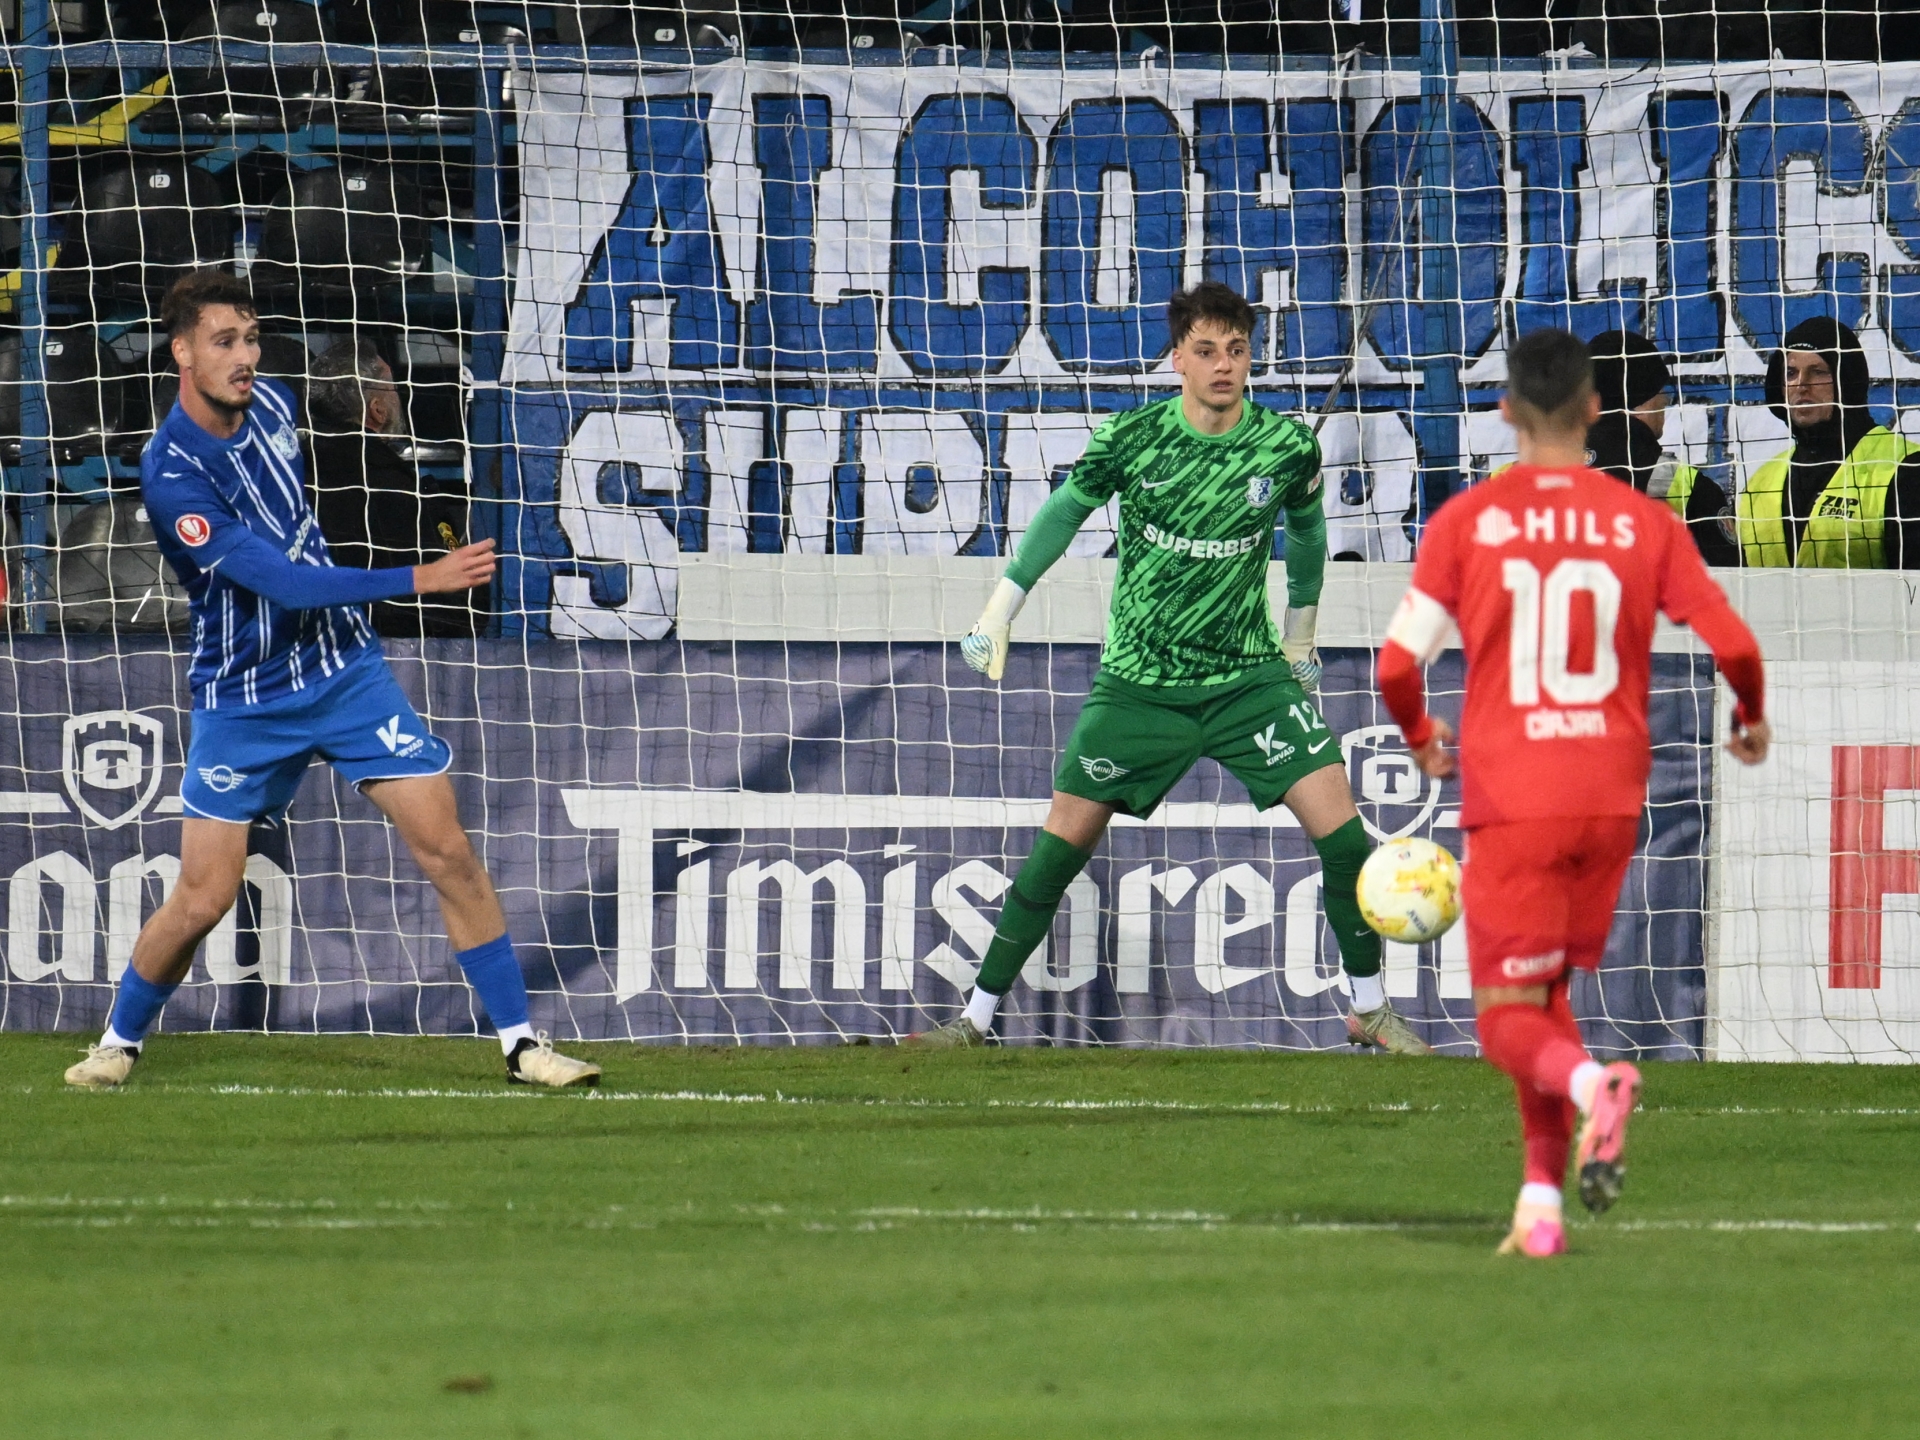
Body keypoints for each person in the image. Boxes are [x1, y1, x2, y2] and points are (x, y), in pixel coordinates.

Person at [62, 269, 598, 1090]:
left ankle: (522, 1045)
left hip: (344, 672)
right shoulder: (171, 474)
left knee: (449, 852)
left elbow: (302, 530)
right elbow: (281, 583)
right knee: (204, 897)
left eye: (251, 339)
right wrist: (420, 577)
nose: (245, 357)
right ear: (182, 353)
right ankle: (118, 1041)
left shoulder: (276, 405)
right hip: (246, 698)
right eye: (224, 342)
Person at [912, 281, 1427, 1055]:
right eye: (1207, 350)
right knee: (1056, 854)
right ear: (1177, 358)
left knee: (1348, 841)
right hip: (1140, 685)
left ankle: (1369, 1009)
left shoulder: (1286, 447)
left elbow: (1308, 537)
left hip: (1249, 681)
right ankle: (974, 1022)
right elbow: (1063, 513)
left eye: (1237, 350)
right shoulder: (1134, 439)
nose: (1224, 365)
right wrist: (1000, 609)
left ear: (1251, 358)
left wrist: (1299, 641)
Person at [1375, 327, 1769, 1256]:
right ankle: (1540, 1208)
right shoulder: (1645, 521)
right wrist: (1749, 716)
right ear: (1594, 409)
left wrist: (1424, 738)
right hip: (1611, 794)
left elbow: (1395, 667)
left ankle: (1599, 1088)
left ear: (1506, 409)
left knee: (1505, 1018)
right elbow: (1736, 644)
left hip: (1517, 793)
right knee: (1546, 996)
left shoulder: (1468, 522)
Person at [307, 336, 478, 637]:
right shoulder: (396, 489)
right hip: (392, 649)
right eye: (394, 389)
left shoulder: (287, 475)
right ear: (378, 410)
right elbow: (451, 599)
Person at [1735, 316, 1915, 568]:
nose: (1801, 385)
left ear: (1846, 381)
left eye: (1818, 372)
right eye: (1790, 373)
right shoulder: (1760, 483)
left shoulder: (1905, 469)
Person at [1584, 329, 1736, 566]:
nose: (1665, 399)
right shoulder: (1682, 483)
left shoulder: (1541, 471)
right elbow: (1734, 576)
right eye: (1660, 390)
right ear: (1642, 397)